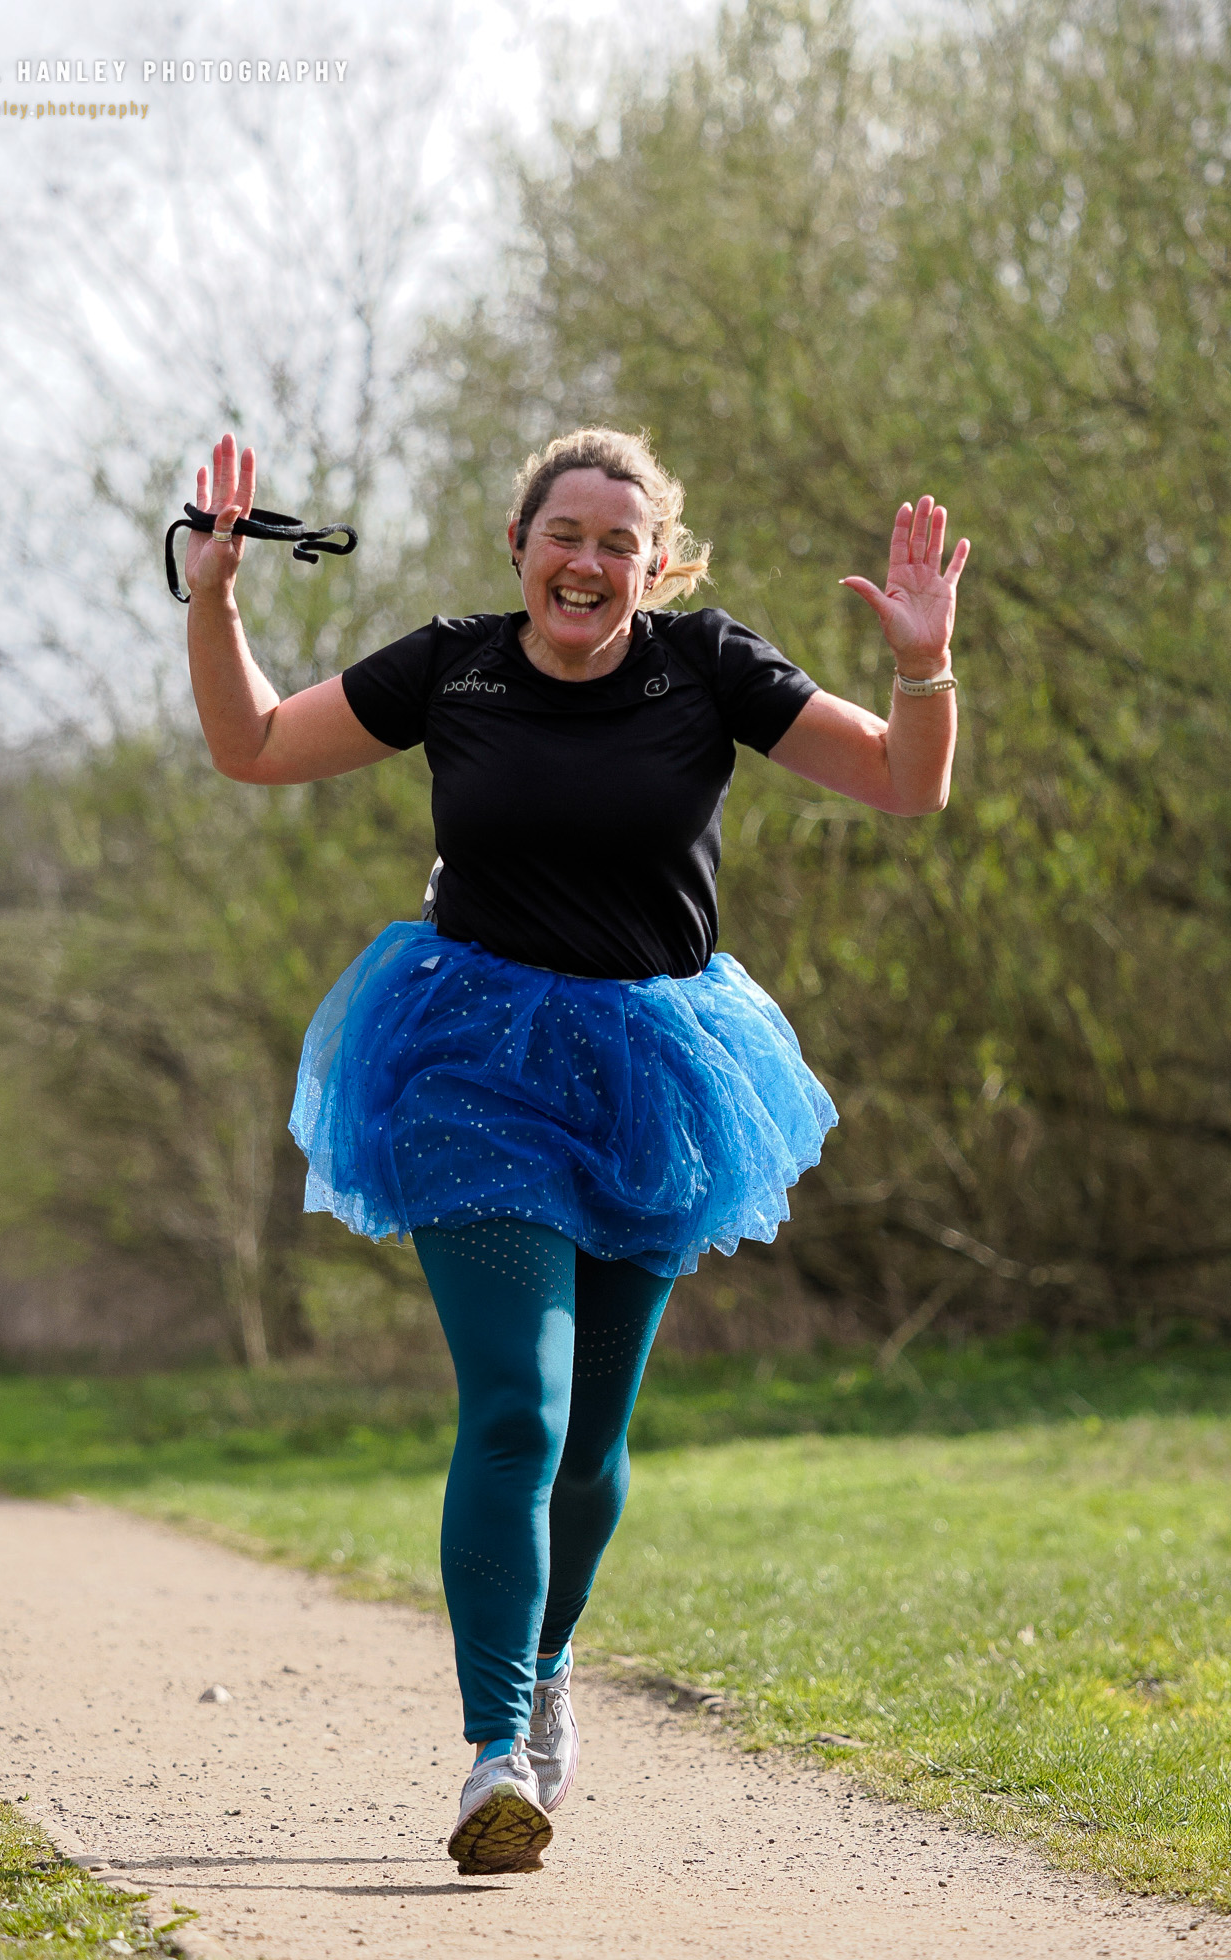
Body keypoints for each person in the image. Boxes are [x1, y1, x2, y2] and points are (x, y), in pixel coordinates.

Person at [184, 425, 967, 1876]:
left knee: (594, 1450)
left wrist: (924, 666)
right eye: (565, 533)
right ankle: (495, 1753)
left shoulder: (708, 667)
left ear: (657, 563)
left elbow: (904, 784)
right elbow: (253, 746)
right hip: (469, 1066)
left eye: (621, 540)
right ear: (519, 546)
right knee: (517, 1415)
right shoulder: (455, 667)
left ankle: (545, 1664)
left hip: (654, 1075)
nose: (589, 561)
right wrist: (217, 600)